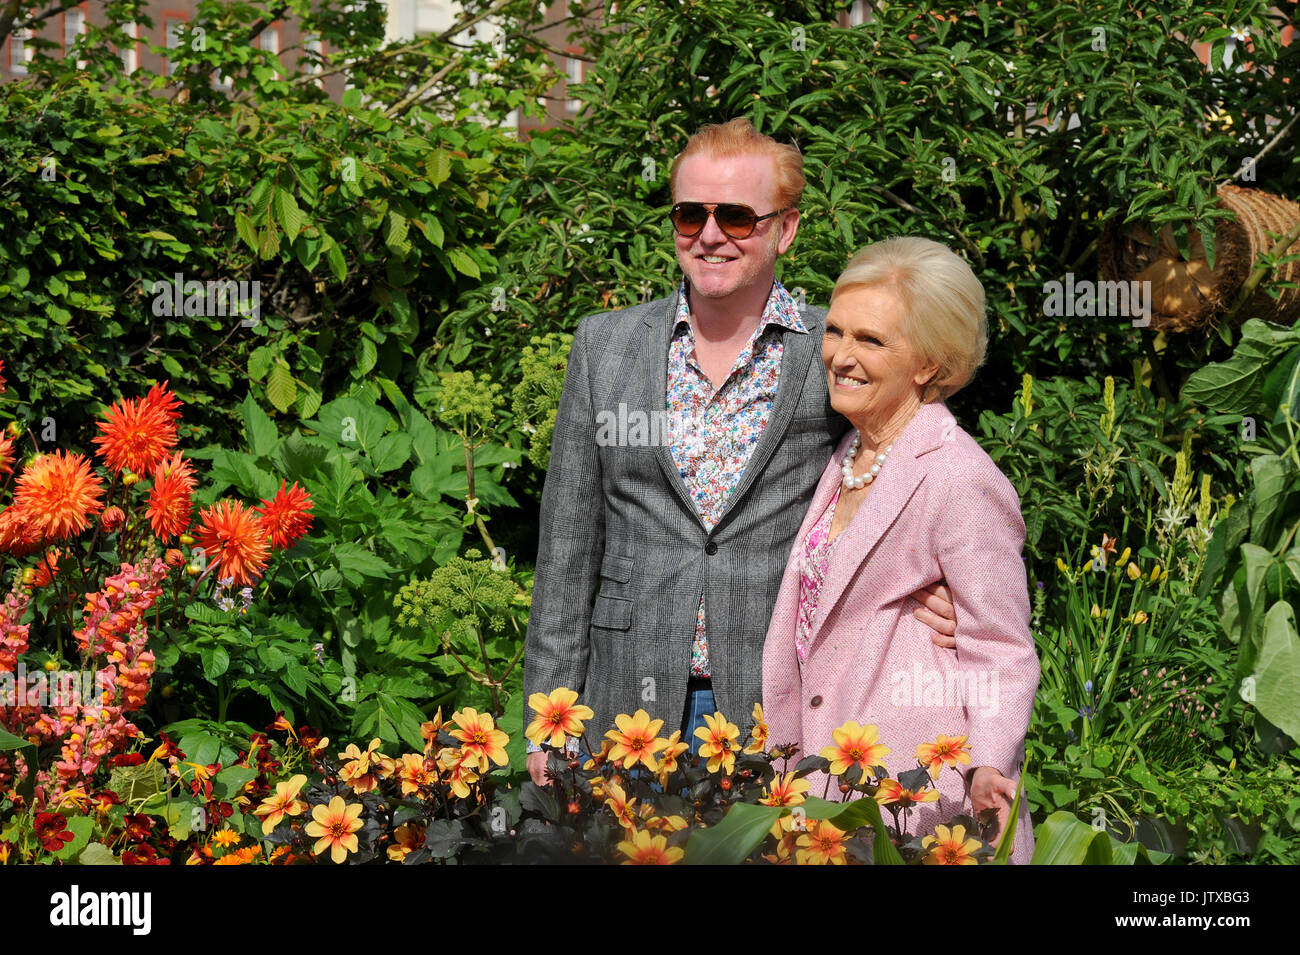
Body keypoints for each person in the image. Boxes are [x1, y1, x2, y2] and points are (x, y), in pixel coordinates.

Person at [524, 119, 960, 786]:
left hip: (777, 704)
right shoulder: (605, 347)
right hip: (625, 702)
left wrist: (943, 584)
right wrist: (548, 724)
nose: (709, 233)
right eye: (689, 214)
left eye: (735, 216)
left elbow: (922, 478)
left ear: (785, 229)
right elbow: (566, 547)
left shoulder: (834, 350)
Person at [761, 236, 1040, 864]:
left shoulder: (959, 478)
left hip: (919, 798)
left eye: (871, 340)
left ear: (929, 364)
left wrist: (990, 764)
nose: (839, 356)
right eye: (835, 332)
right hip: (829, 781)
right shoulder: (851, 453)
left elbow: (1002, 647)